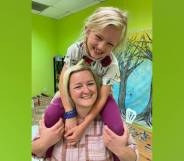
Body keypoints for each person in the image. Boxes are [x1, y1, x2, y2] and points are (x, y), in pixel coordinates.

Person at [45, 6, 128, 161]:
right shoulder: (74, 50)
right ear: (88, 30)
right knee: (49, 115)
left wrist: (83, 126)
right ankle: (47, 155)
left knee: (117, 128)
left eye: (110, 44)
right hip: (71, 93)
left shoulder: (112, 65)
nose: (102, 47)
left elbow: (103, 98)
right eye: (98, 37)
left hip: (99, 96)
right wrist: (70, 113)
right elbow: (63, 80)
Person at [32, 65, 138, 161]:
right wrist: (45, 142)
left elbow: (134, 158)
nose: (86, 91)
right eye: (78, 86)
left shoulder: (111, 120)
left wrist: (120, 150)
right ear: (68, 92)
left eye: (90, 84)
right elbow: (34, 152)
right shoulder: (57, 120)